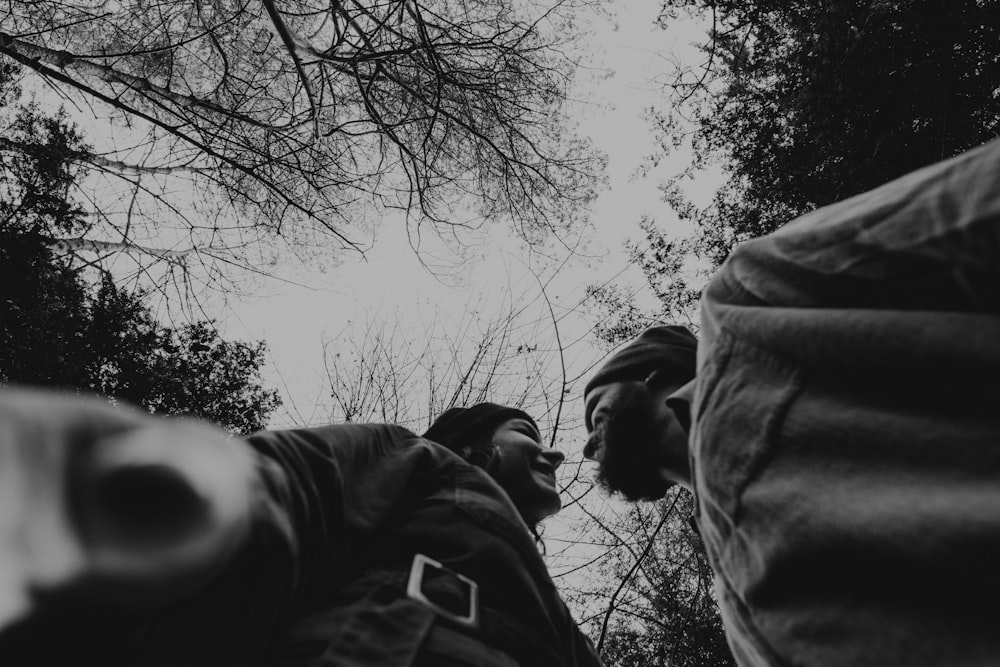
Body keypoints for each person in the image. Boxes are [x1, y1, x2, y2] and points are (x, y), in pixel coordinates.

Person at [582, 136, 1000, 666]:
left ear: (649, 372)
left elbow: (965, 209)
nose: (589, 446)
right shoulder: (730, 597)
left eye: (596, 412)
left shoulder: (743, 307)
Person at [0, 389, 601, 667]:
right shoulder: (416, 459)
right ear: (477, 442)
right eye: (529, 435)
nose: (554, 456)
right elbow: (265, 498)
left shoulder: (553, 609)